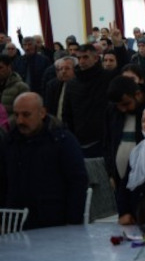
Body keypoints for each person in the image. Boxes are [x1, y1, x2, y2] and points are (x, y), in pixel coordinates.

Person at [5, 93, 88, 229]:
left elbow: (77, 181)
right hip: (15, 223)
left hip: (55, 222)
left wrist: (73, 223)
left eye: (26, 115)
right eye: (16, 115)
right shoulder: (10, 142)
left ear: (42, 113)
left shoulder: (62, 141)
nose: (20, 120)